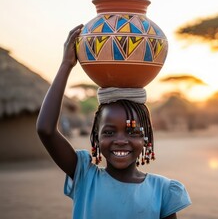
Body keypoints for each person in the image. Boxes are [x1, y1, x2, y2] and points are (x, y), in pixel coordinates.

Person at [36, 25, 191, 219]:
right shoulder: (85, 176)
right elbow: (45, 130)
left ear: (146, 138)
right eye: (109, 132)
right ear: (96, 137)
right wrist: (66, 64)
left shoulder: (163, 191)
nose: (120, 140)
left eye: (132, 131)